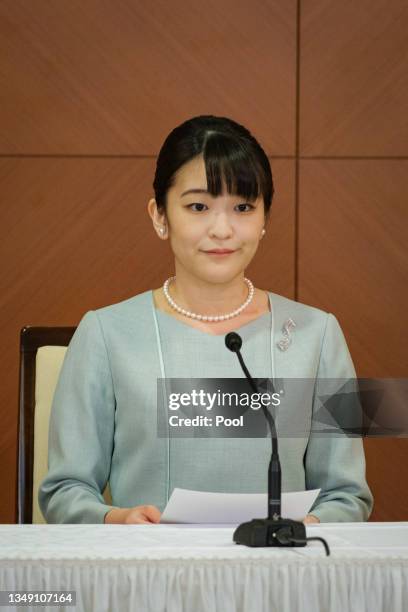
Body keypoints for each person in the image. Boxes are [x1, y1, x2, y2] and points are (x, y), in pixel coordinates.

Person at [39, 115, 373, 525]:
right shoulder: (105, 335)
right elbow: (64, 491)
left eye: (243, 207)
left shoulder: (319, 336)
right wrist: (115, 521)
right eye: (198, 206)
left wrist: (311, 527)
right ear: (160, 215)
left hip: (282, 576)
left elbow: (347, 494)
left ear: (265, 218)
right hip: (151, 576)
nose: (222, 229)